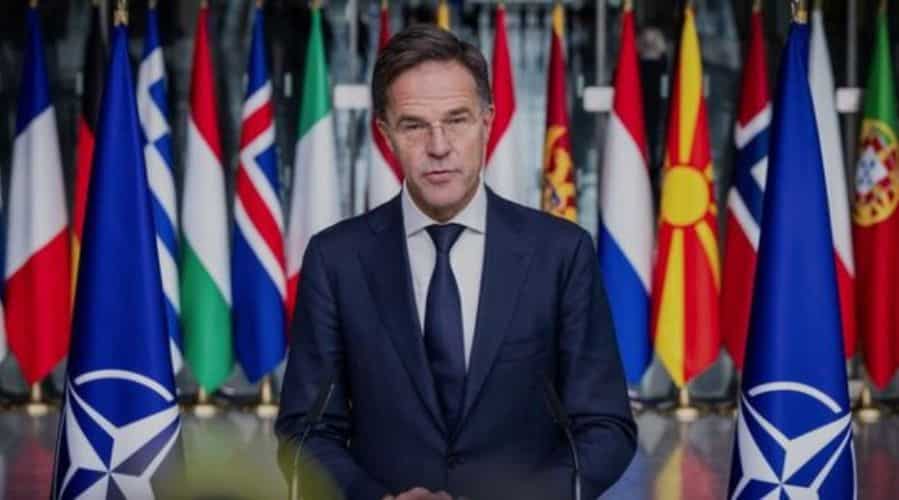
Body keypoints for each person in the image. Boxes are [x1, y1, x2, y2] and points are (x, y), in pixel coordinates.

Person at [276, 23, 636, 500]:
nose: (439, 146)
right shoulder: (335, 259)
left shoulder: (561, 252)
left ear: (487, 122)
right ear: (385, 134)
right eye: (414, 125)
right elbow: (305, 432)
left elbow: (607, 428)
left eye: (457, 120)